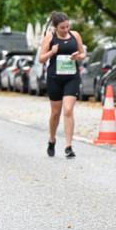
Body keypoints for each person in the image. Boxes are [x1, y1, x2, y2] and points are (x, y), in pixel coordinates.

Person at [38, 12, 87, 158]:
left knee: (68, 110)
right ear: (55, 27)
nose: (66, 30)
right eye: (62, 28)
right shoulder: (49, 38)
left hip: (71, 77)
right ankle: (52, 139)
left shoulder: (75, 35)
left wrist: (77, 56)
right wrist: (51, 53)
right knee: (55, 113)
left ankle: (68, 146)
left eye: (67, 26)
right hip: (55, 78)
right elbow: (41, 59)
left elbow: (83, 53)